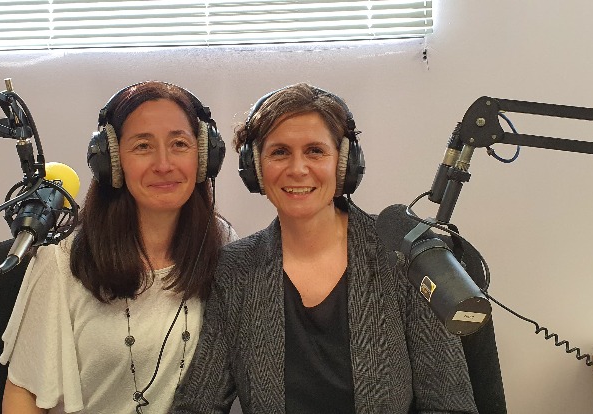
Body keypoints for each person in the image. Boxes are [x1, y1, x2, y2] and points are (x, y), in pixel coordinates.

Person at [171, 83, 477, 413]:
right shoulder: (235, 268)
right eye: (279, 152)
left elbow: (450, 405)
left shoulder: (403, 252)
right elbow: (199, 403)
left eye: (315, 151)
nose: (297, 169)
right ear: (255, 167)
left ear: (344, 163)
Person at [0, 81, 237, 414]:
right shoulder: (62, 259)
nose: (164, 164)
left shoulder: (222, 243)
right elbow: (23, 395)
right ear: (112, 161)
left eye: (179, 144)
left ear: (204, 157)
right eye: (143, 146)